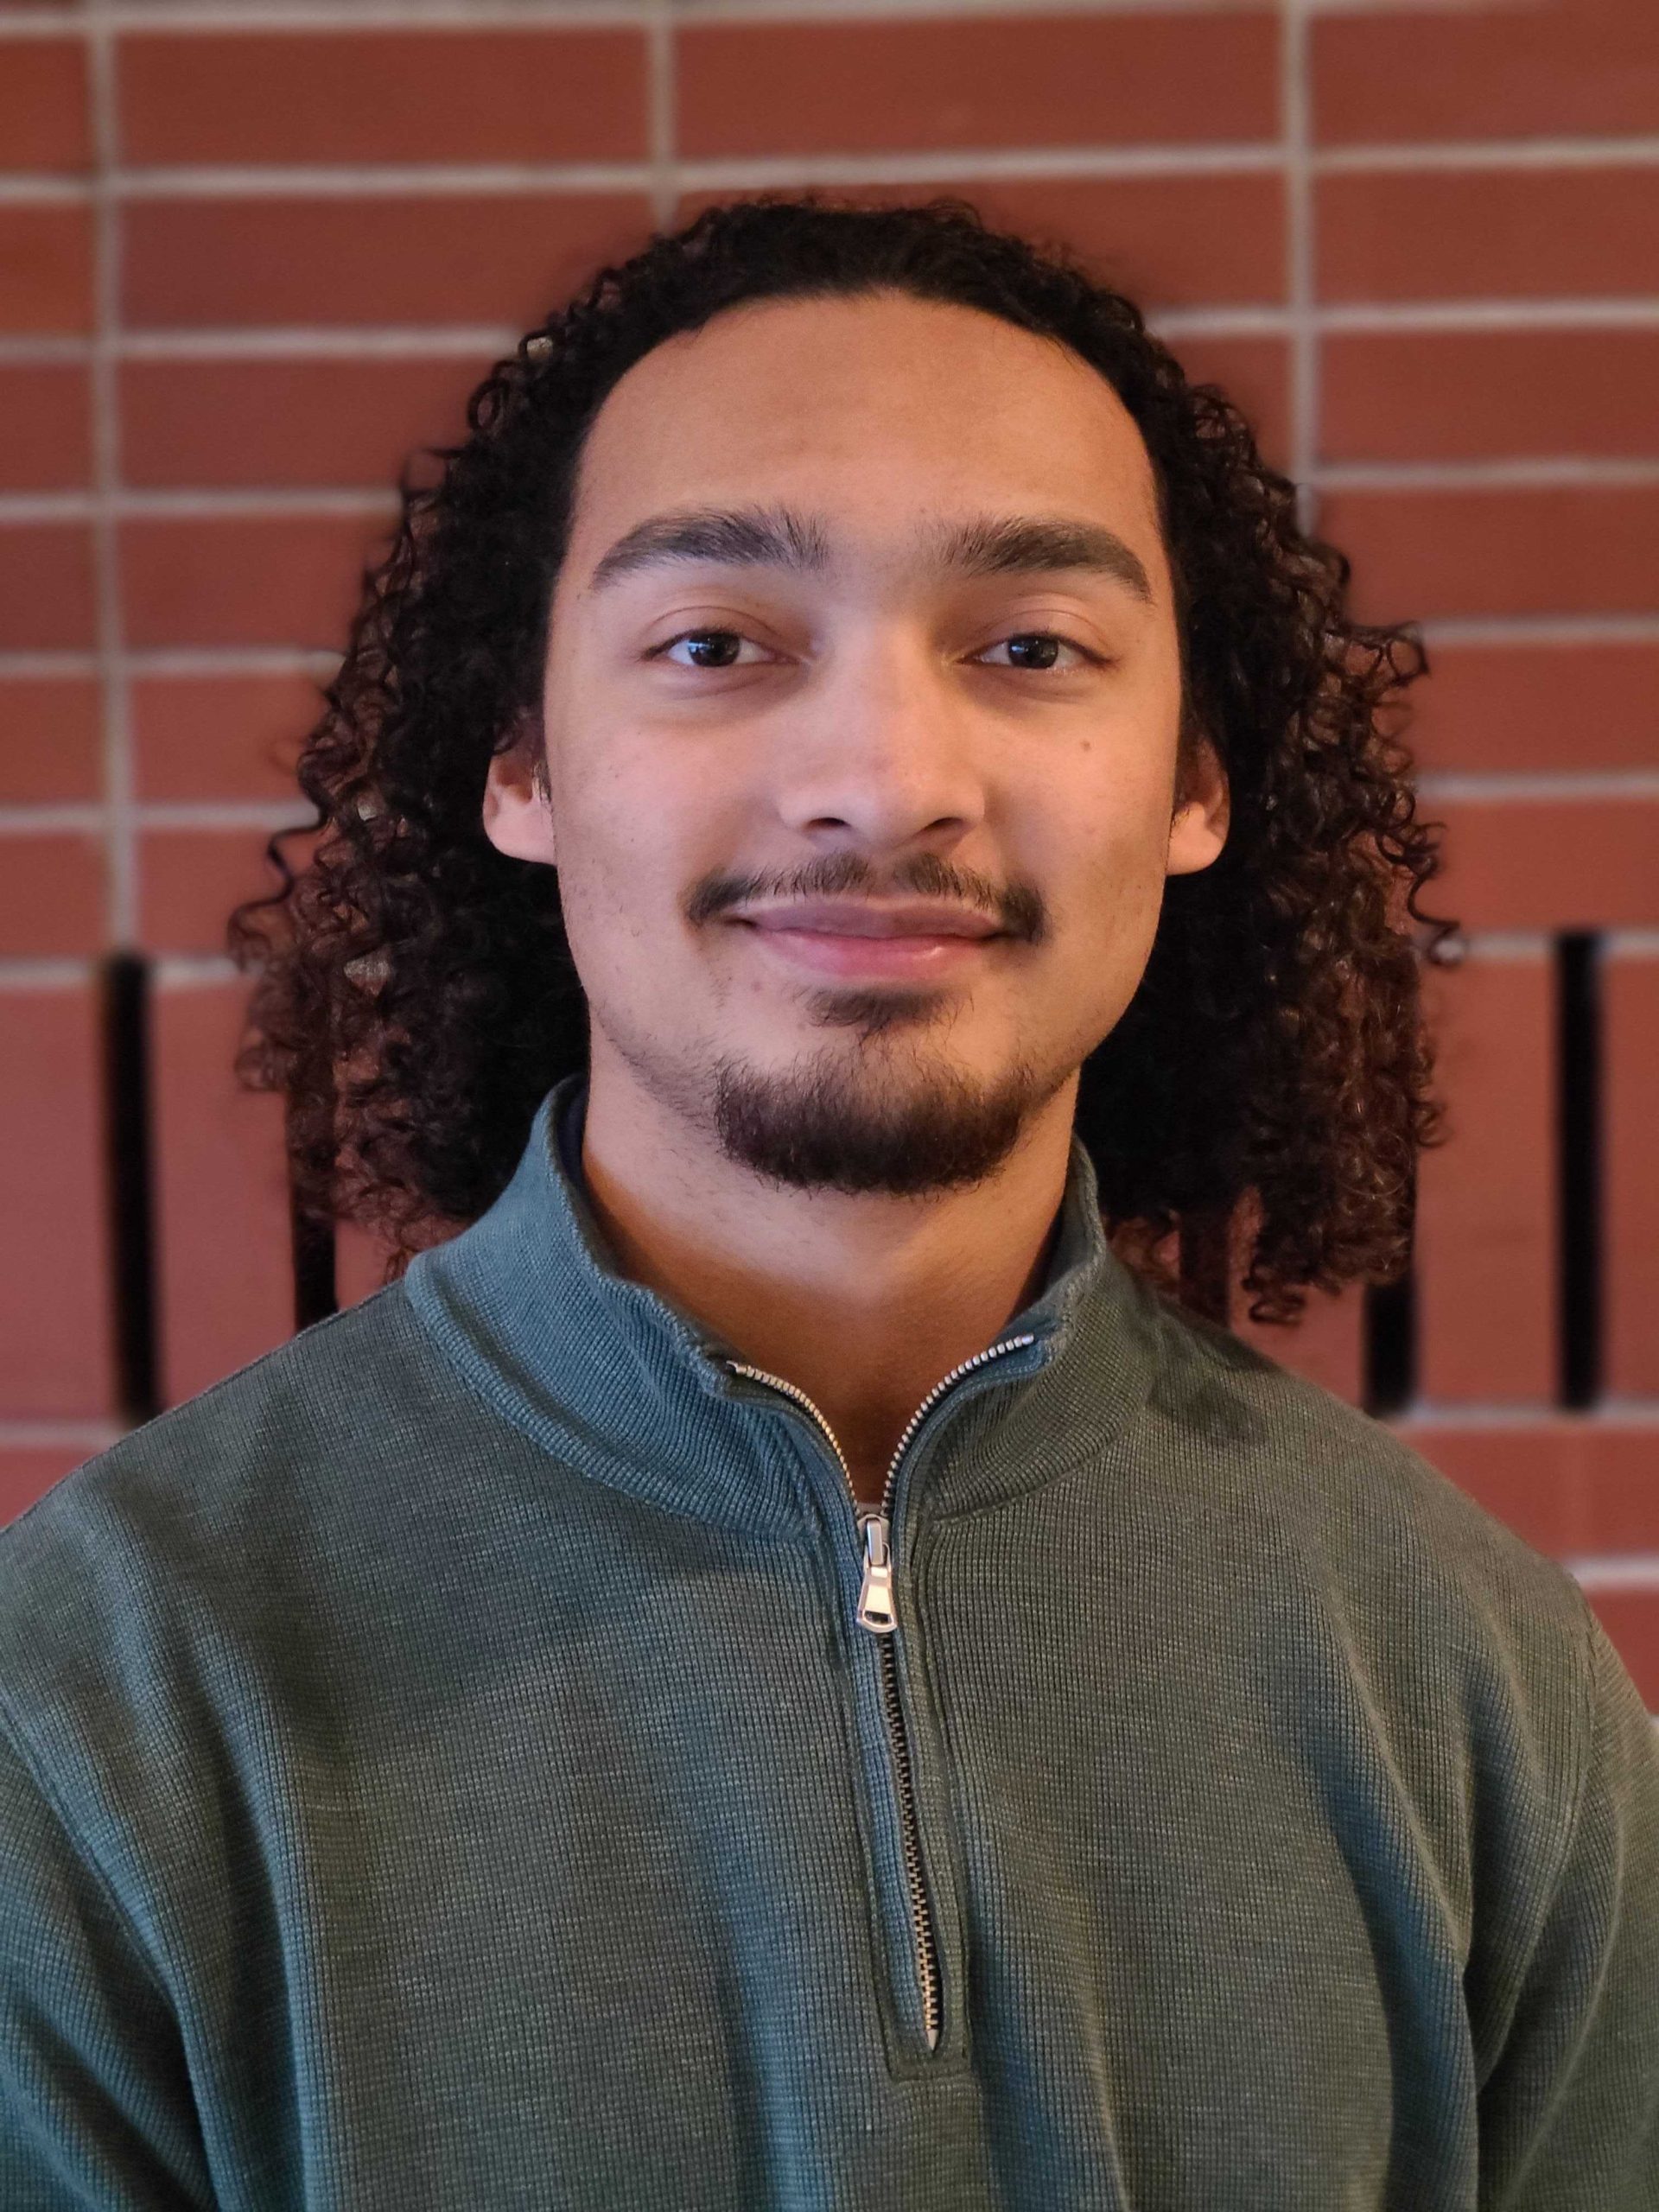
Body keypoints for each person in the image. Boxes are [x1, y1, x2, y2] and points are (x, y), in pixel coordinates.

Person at [1, 195, 1653, 2211]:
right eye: (715, 644)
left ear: (1195, 783)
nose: (882, 776)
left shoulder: (1473, 1677)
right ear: (522, 762)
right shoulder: (102, 1691)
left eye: (1029, 647)